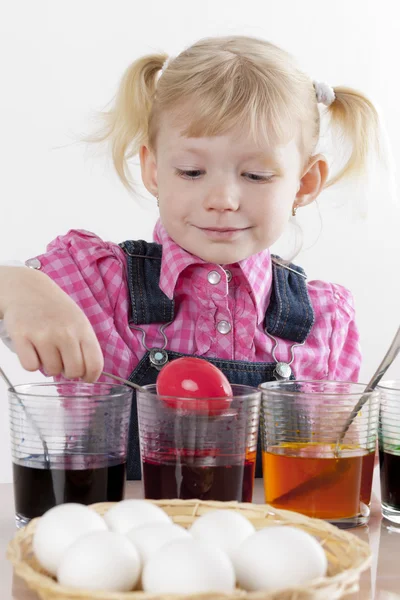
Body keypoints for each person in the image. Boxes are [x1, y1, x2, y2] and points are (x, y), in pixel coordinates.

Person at [0, 36, 381, 479]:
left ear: (305, 183)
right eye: (191, 172)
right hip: (122, 539)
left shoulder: (325, 322)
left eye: (256, 175)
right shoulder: (96, 284)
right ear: (152, 170)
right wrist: (17, 286)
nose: (222, 199)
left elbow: (331, 473)